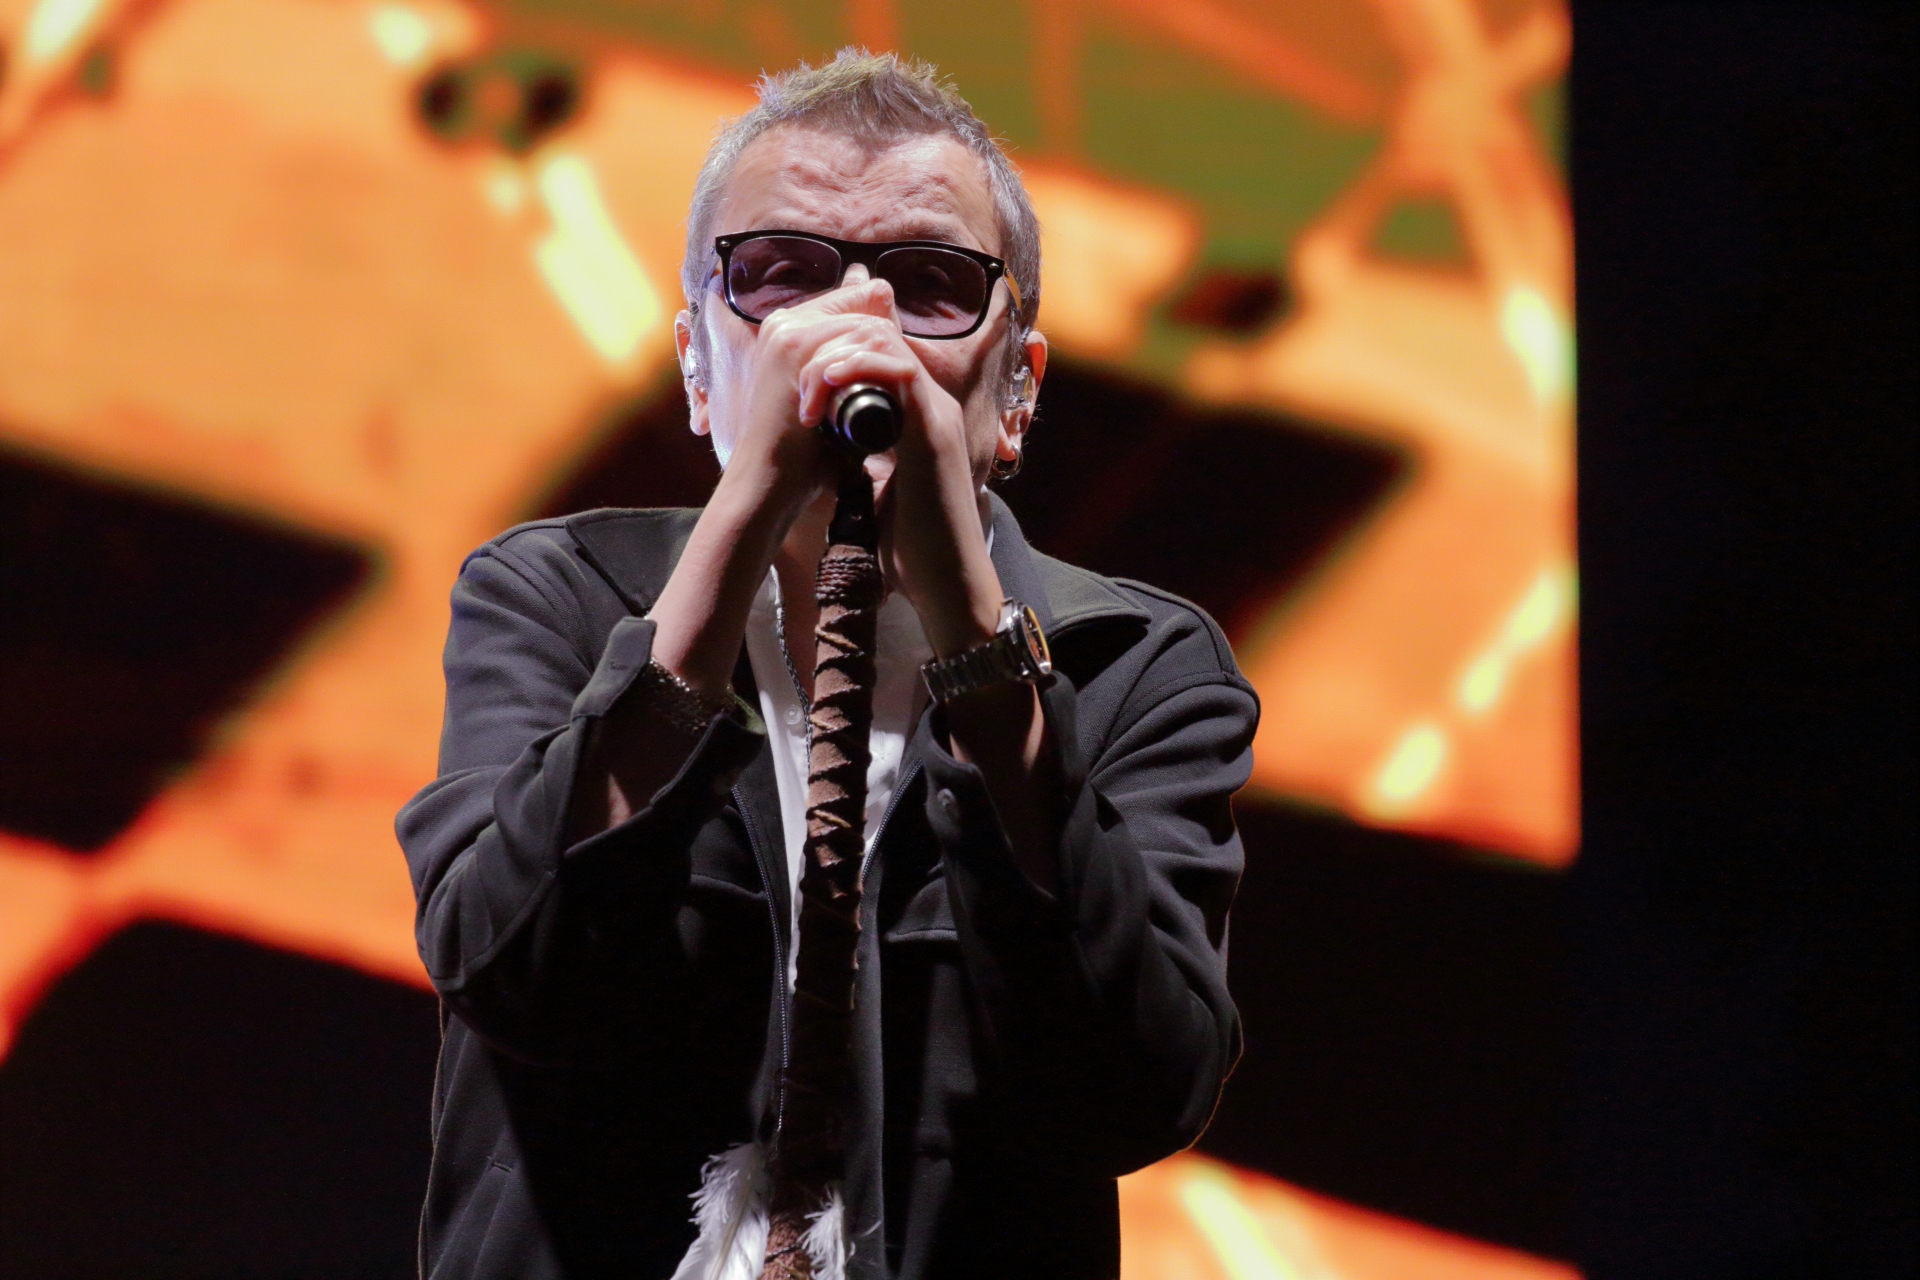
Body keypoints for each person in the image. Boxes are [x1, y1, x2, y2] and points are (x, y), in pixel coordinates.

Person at [397, 49, 1258, 1280]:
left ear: (1017, 388)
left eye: (931, 284)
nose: (855, 334)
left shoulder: (1141, 664)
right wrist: (746, 514)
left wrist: (973, 633)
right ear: (698, 366)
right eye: (781, 276)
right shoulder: (552, 594)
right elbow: (509, 968)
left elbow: (1138, 1087)